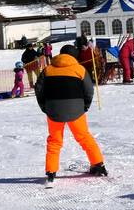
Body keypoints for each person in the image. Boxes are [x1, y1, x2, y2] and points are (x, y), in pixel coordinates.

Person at [35, 45, 106, 186]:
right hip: (76, 109)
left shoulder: (48, 70)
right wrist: (85, 106)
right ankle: (98, 164)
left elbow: (39, 89)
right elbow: (89, 90)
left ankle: (51, 171)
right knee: (84, 137)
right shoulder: (80, 69)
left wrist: (45, 106)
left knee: (54, 141)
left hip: (53, 109)